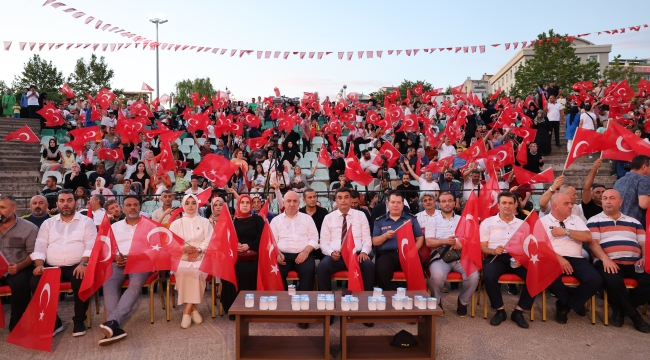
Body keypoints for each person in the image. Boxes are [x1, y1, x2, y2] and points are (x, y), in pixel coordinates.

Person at [30, 189, 97, 337]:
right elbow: (40, 245)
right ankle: (55, 322)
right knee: (35, 282)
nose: (65, 204)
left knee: (82, 279)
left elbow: (91, 245)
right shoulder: (48, 223)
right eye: (62, 201)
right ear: (57, 204)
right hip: (52, 266)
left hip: (77, 264)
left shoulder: (87, 222)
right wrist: (39, 265)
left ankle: (79, 320)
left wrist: (83, 263)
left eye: (69, 200)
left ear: (76, 202)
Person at [586, 189, 650, 332]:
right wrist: (606, 259)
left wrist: (645, 257)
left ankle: (621, 310)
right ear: (601, 201)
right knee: (613, 282)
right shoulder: (594, 220)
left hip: (635, 262)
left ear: (620, 202)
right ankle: (635, 317)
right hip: (608, 262)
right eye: (604, 198)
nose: (607, 201)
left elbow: (644, 243)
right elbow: (593, 243)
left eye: (612, 198)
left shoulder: (633, 221)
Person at [98, 196, 153, 345]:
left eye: (135, 204)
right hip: (119, 263)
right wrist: (116, 258)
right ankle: (113, 327)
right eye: (128, 205)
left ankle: (112, 322)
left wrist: (137, 256)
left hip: (141, 263)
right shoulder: (114, 227)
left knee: (134, 285)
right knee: (108, 284)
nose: (132, 207)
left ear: (140, 207)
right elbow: (107, 248)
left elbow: (155, 249)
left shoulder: (149, 226)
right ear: (123, 208)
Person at [542, 193, 602, 325]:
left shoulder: (576, 219)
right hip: (552, 258)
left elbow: (587, 237)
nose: (571, 206)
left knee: (595, 279)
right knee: (548, 278)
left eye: (571, 203)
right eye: (566, 204)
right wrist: (560, 259)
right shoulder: (543, 221)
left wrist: (566, 232)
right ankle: (572, 300)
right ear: (555, 206)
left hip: (576, 258)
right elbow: (539, 246)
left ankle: (565, 306)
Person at [480, 192, 531, 328]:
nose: (507, 206)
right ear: (498, 205)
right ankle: (500, 310)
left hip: (517, 258)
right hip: (495, 256)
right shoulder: (487, 223)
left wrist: (523, 259)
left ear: (515, 205)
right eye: (504, 203)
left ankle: (519, 311)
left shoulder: (523, 225)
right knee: (489, 275)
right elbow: (482, 247)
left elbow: (528, 247)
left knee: (535, 276)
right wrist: (493, 250)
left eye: (510, 203)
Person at [425, 192, 479, 316]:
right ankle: (437, 301)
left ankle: (463, 302)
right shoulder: (432, 220)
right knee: (436, 277)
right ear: (439, 204)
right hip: (441, 256)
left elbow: (472, 239)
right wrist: (445, 241)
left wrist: (462, 244)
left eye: (450, 200)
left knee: (474, 276)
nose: (447, 203)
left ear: (455, 203)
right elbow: (428, 242)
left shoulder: (463, 220)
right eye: (444, 201)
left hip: (461, 255)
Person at [269, 191, 319, 317]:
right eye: (289, 201)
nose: (292, 204)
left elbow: (314, 238)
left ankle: (303, 308)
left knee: (308, 271)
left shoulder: (307, 219)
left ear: (299, 202)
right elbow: (272, 241)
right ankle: (285, 304)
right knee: (276, 271)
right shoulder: (275, 221)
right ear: (284, 203)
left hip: (304, 253)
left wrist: (306, 252)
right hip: (282, 255)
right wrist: (277, 254)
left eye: (295, 201)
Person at [169, 194, 213, 329]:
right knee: (182, 271)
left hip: (202, 255)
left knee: (198, 272)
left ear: (197, 205)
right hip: (182, 256)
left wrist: (199, 250)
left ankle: (187, 310)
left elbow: (210, 240)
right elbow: (171, 243)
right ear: (183, 205)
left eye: (193, 203)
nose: (190, 206)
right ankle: (193, 308)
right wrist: (185, 249)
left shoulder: (205, 222)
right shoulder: (176, 223)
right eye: (187, 203)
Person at [317, 188, 374, 291]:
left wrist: (364, 252)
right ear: (336, 201)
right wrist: (331, 252)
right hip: (336, 256)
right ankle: (326, 299)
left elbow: (367, 239)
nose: (343, 200)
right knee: (322, 267)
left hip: (357, 255)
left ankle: (366, 299)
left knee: (369, 265)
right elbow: (323, 243)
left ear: (350, 200)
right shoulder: (328, 218)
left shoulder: (361, 216)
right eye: (340, 198)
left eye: (346, 197)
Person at [221, 195, 265, 320]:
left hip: (253, 253)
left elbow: (262, 238)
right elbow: (226, 239)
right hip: (235, 254)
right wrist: (235, 245)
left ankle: (251, 307)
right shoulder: (232, 221)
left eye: (247, 202)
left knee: (252, 270)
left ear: (251, 205)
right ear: (238, 205)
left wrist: (249, 245)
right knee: (232, 270)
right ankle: (234, 307)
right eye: (242, 203)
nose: (245, 205)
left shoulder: (257, 220)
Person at [0, 195, 39, 331]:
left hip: (18, 267)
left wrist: (19, 266)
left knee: (21, 284)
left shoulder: (29, 228)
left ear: (14, 208)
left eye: (2, 208)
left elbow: (34, 254)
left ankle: (16, 323)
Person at [372, 190, 424, 291]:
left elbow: (420, 238)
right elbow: (375, 241)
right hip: (387, 255)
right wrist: (385, 236)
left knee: (416, 271)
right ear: (388, 203)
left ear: (403, 203)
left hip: (408, 253)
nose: (395, 205)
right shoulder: (380, 221)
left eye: (399, 202)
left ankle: (415, 297)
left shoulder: (411, 219)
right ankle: (389, 296)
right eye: (393, 202)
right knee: (381, 269)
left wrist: (413, 251)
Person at [613, 155, 650, 229]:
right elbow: (644, 204)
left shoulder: (619, 181)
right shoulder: (644, 179)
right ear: (644, 167)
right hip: (636, 227)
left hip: (618, 225)